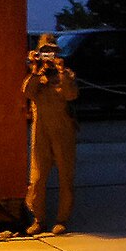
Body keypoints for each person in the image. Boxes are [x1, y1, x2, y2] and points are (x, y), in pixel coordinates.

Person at [18, 35, 81, 233]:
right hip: (41, 130)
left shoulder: (65, 75)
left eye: (52, 52)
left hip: (63, 129)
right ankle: (39, 218)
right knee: (37, 177)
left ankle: (62, 218)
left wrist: (61, 72)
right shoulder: (36, 75)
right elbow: (27, 92)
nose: (49, 56)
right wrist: (36, 70)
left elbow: (71, 95)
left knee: (65, 175)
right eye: (45, 51)